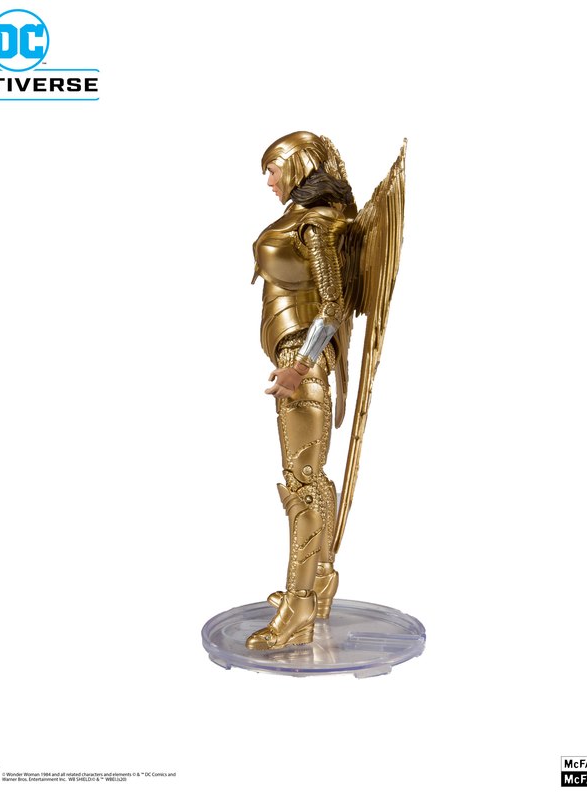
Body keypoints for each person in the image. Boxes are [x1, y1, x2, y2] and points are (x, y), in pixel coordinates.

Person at [246, 131, 356, 650]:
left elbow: (332, 305)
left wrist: (301, 364)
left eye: (273, 169)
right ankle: (322, 580)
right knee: (313, 480)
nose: (269, 180)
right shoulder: (307, 214)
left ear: (297, 165)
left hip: (302, 361)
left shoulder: (315, 222)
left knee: (302, 486)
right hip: (295, 355)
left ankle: (298, 608)